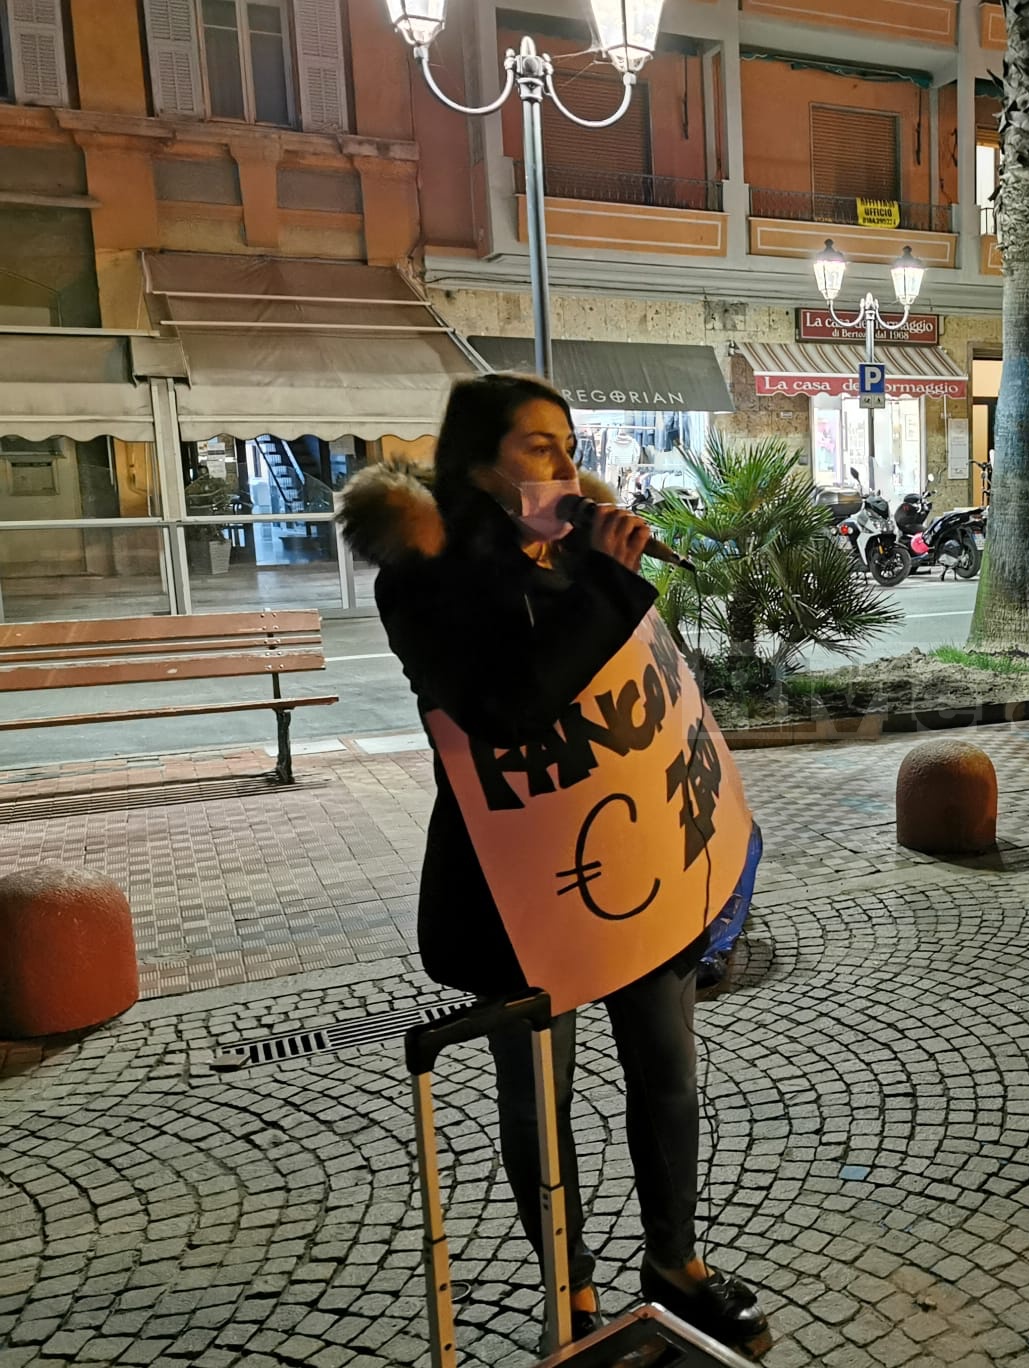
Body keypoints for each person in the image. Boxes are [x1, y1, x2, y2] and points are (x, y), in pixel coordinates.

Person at [337, 374, 769, 1357]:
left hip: (636, 872)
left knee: (667, 1065)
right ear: (478, 460)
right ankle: (569, 1300)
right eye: (540, 446)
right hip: (517, 894)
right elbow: (509, 704)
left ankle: (675, 1265)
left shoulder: (571, 551)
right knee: (541, 1092)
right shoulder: (425, 573)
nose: (566, 467)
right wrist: (610, 581)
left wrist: (602, 570)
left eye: (569, 444)